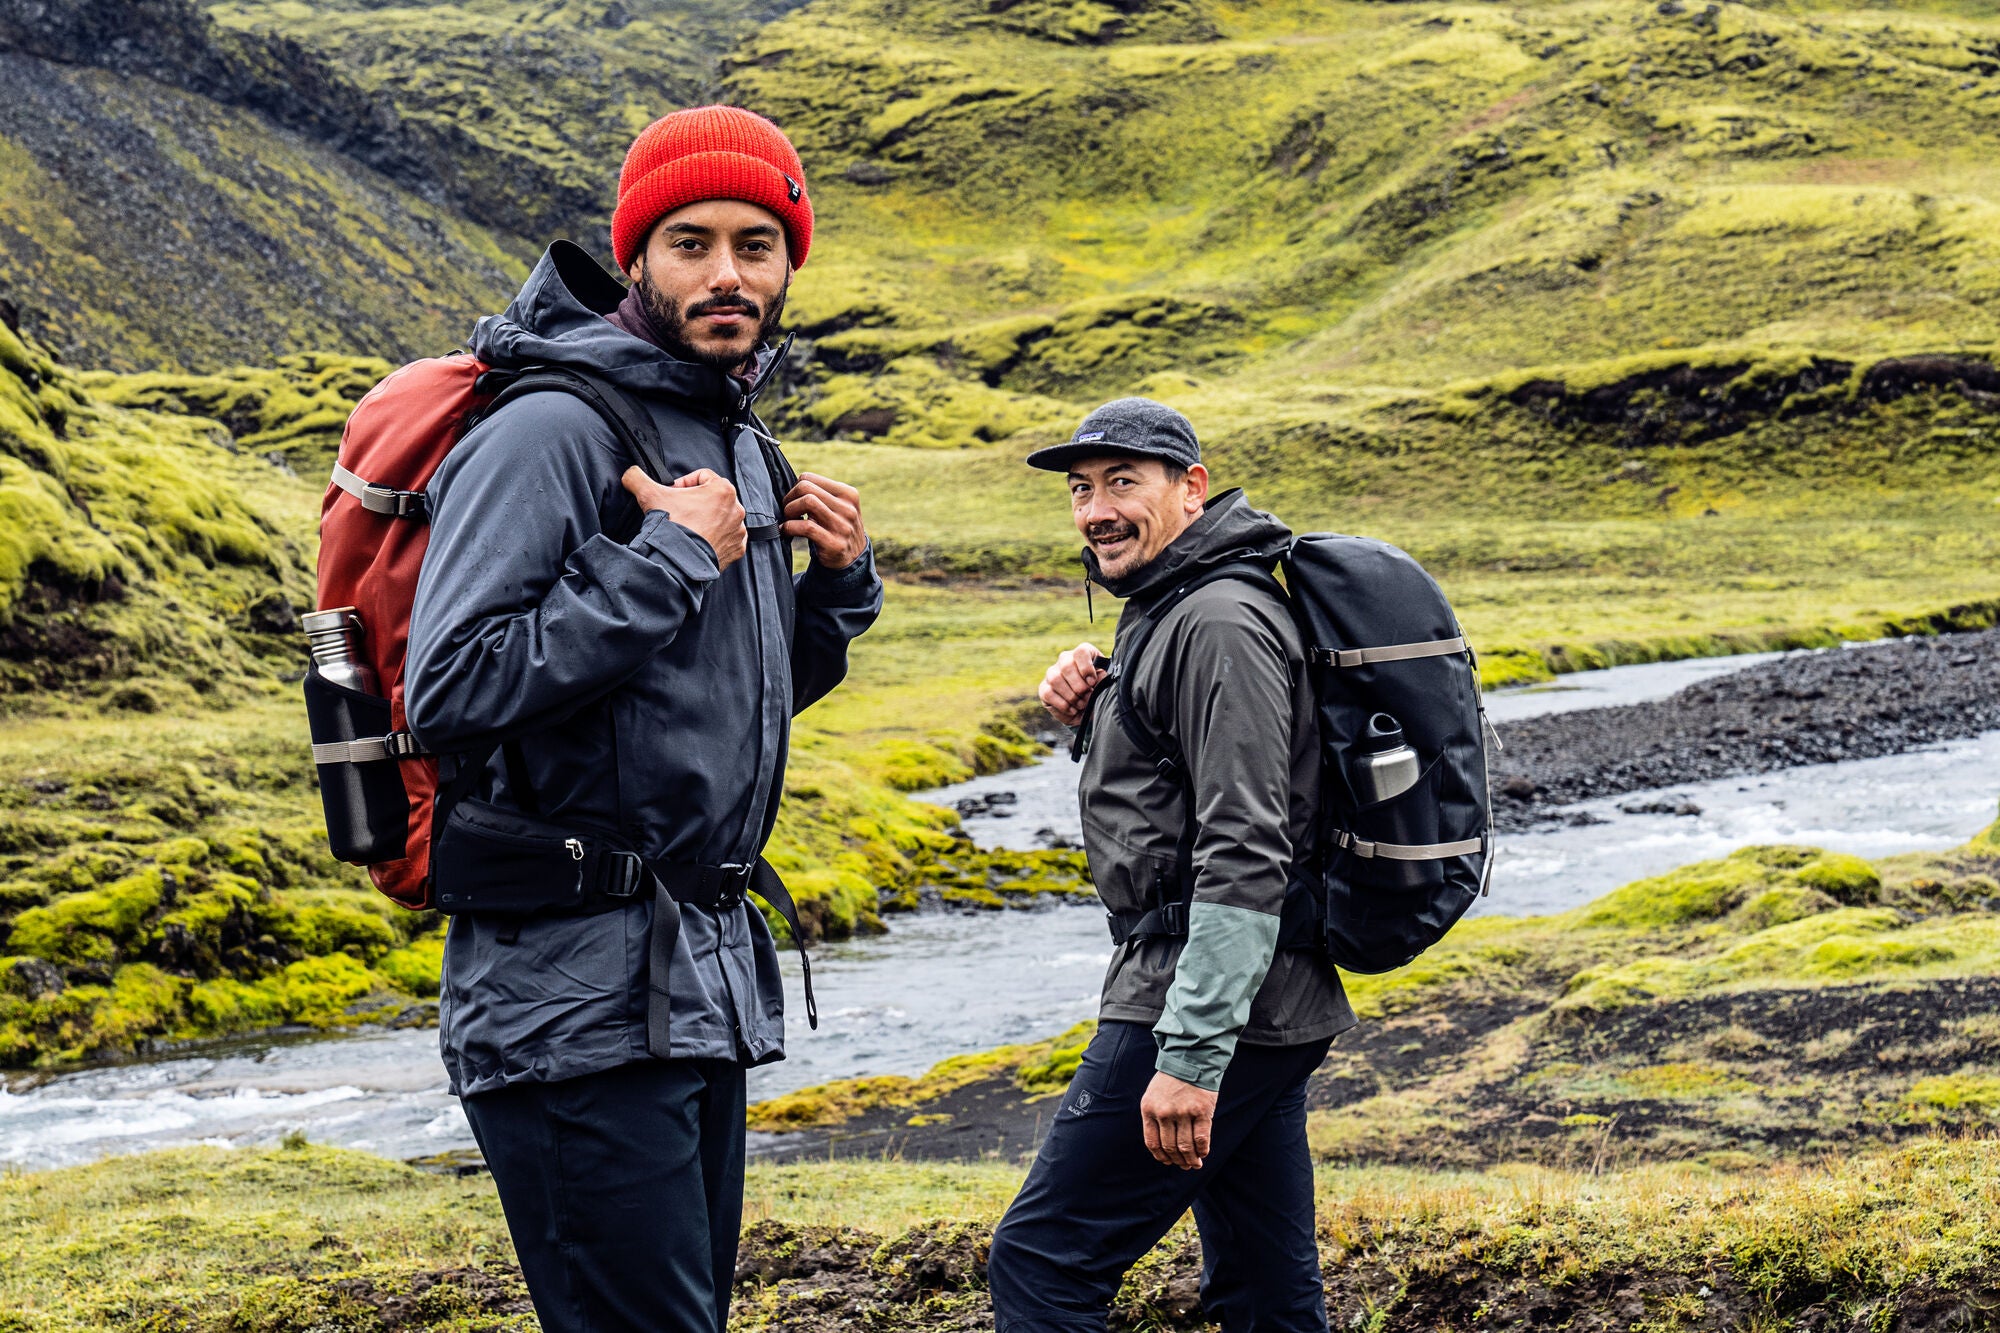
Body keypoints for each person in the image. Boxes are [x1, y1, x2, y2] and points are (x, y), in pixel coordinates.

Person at [403, 105, 882, 1333]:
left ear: (789, 264)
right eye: (689, 242)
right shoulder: (551, 428)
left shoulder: (731, 436)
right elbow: (453, 685)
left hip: (686, 991)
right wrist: (668, 558)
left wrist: (833, 593)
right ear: (636, 258)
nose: (727, 273)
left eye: (755, 245)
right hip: (568, 1001)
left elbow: (716, 702)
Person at [986, 399, 1355, 1332]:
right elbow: (1178, 784)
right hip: (1259, 999)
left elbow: (1246, 845)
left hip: (1206, 998)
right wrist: (1096, 707)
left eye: (1122, 482)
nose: (1095, 510)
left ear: (1192, 487)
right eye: (1080, 489)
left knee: (1043, 1259)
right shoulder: (1173, 609)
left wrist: (1190, 1052)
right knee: (1265, 1288)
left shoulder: (1218, 620)